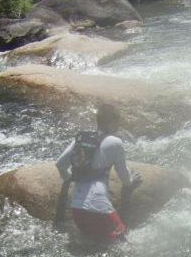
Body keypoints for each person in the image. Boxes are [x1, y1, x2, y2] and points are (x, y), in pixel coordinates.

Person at [55, 104, 141, 243]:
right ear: (111, 122)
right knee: (125, 247)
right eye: (117, 122)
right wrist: (131, 182)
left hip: (77, 211)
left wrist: (68, 178)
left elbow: (59, 164)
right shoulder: (115, 142)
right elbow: (123, 176)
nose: (118, 127)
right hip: (100, 209)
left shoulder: (81, 138)